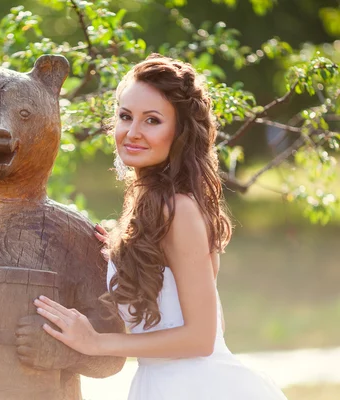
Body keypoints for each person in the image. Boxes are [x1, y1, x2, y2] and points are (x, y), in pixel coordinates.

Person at [33, 54, 288, 399]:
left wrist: (96, 342)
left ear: (180, 131)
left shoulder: (178, 210)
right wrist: (123, 250)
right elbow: (212, 319)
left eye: (152, 120)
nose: (132, 132)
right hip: (164, 385)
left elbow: (203, 338)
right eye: (125, 116)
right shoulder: (153, 205)